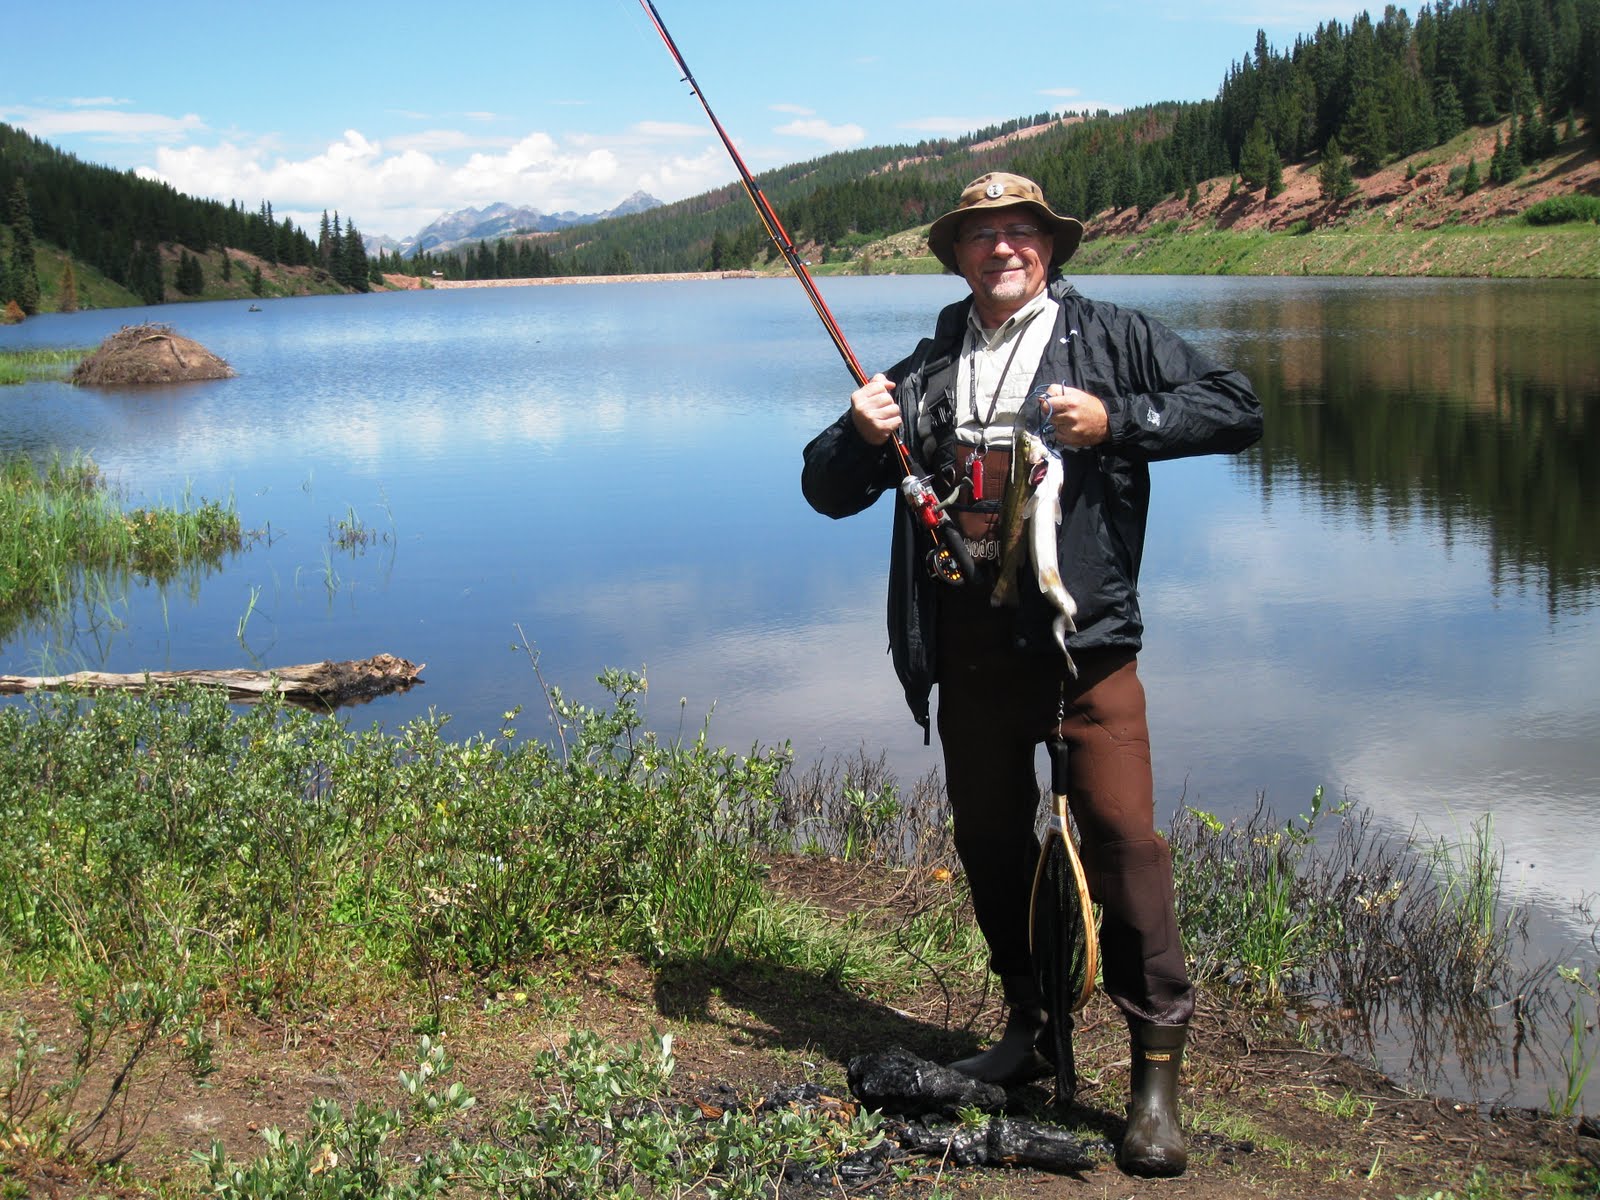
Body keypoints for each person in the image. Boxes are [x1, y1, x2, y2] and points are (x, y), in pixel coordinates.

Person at [800, 172, 1262, 1177]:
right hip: (969, 664)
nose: (1001, 249)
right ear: (957, 255)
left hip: (1085, 652)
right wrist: (858, 435)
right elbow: (824, 491)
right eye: (981, 236)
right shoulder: (923, 370)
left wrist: (1117, 422)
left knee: (1124, 843)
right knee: (993, 846)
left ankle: (1151, 1083)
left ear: (1048, 249)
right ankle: (1031, 1029)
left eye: (1020, 234)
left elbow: (1235, 409)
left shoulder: (1113, 339)